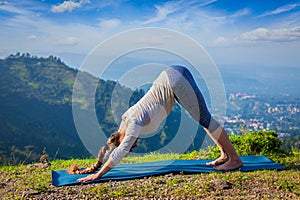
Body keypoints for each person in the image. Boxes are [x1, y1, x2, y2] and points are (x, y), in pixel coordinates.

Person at [77, 65, 242, 183]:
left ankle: (234, 159)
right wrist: (96, 165)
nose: (133, 147)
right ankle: (224, 154)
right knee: (203, 119)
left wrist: (98, 175)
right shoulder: (125, 121)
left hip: (175, 81)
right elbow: (115, 147)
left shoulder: (132, 124)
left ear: (121, 138)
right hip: (171, 76)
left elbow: (120, 151)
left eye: (130, 146)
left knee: (205, 118)